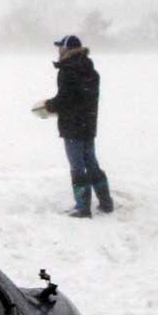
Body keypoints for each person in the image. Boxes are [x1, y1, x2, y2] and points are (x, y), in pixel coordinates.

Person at [32, 34, 114, 218]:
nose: (58, 51)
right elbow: (80, 98)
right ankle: (106, 203)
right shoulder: (91, 70)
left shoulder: (68, 71)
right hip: (88, 125)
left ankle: (83, 208)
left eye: (60, 48)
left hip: (72, 126)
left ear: (66, 49)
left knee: (77, 167)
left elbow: (65, 99)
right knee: (91, 163)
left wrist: (48, 106)